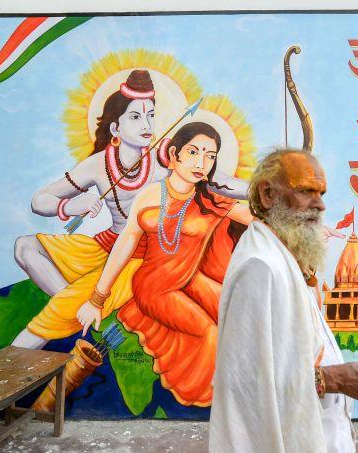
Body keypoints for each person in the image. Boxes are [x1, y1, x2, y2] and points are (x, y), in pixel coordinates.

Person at [12, 70, 248, 349]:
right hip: (105, 245)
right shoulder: (99, 164)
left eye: (150, 115)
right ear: (115, 128)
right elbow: (40, 201)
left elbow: (223, 184)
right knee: (24, 247)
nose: (146, 124)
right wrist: (72, 204)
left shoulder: (167, 159)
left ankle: (73, 306)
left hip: (139, 255)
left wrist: (273, 186)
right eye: (135, 117)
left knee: (67, 305)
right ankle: (76, 306)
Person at [209, 149, 358, 452]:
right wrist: (334, 380)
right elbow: (246, 382)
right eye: (306, 191)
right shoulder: (260, 265)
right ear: (268, 194)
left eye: (321, 193)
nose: (320, 204)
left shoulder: (283, 255)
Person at [76, 122, 254, 406]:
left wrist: (306, 223)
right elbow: (126, 243)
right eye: (194, 152)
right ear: (174, 155)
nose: (202, 162)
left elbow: (259, 218)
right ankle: (210, 395)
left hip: (189, 279)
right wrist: (97, 299)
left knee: (240, 312)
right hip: (154, 287)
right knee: (210, 332)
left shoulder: (211, 200)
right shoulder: (149, 195)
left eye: (210, 156)